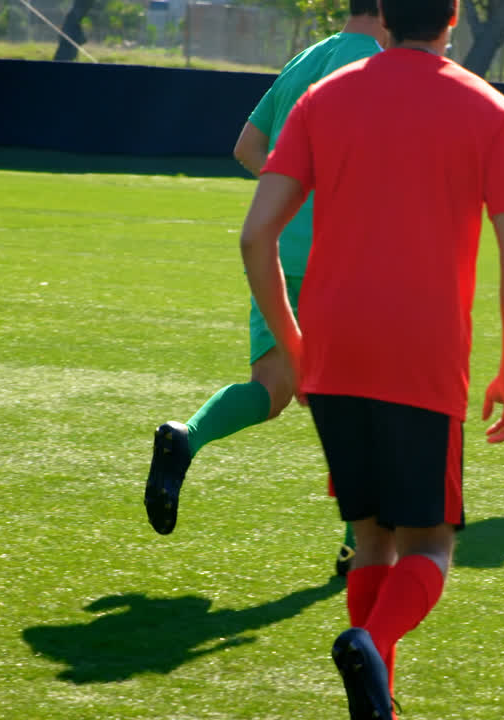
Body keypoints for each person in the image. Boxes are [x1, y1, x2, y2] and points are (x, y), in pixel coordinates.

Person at [238, 0, 504, 715]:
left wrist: (293, 345)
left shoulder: (324, 98)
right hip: (423, 355)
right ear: (453, 17)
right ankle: (370, 644)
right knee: (430, 546)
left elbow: (256, 237)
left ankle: (378, 701)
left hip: (334, 352)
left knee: (369, 537)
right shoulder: (489, 109)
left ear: (385, 14)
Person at [143, 2, 388, 577]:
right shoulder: (379, 67)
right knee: (365, 399)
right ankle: (360, 544)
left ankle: (188, 435)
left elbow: (246, 148)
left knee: (273, 387)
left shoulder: (309, 57)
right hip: (340, 260)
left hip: (276, 248)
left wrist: (294, 187)